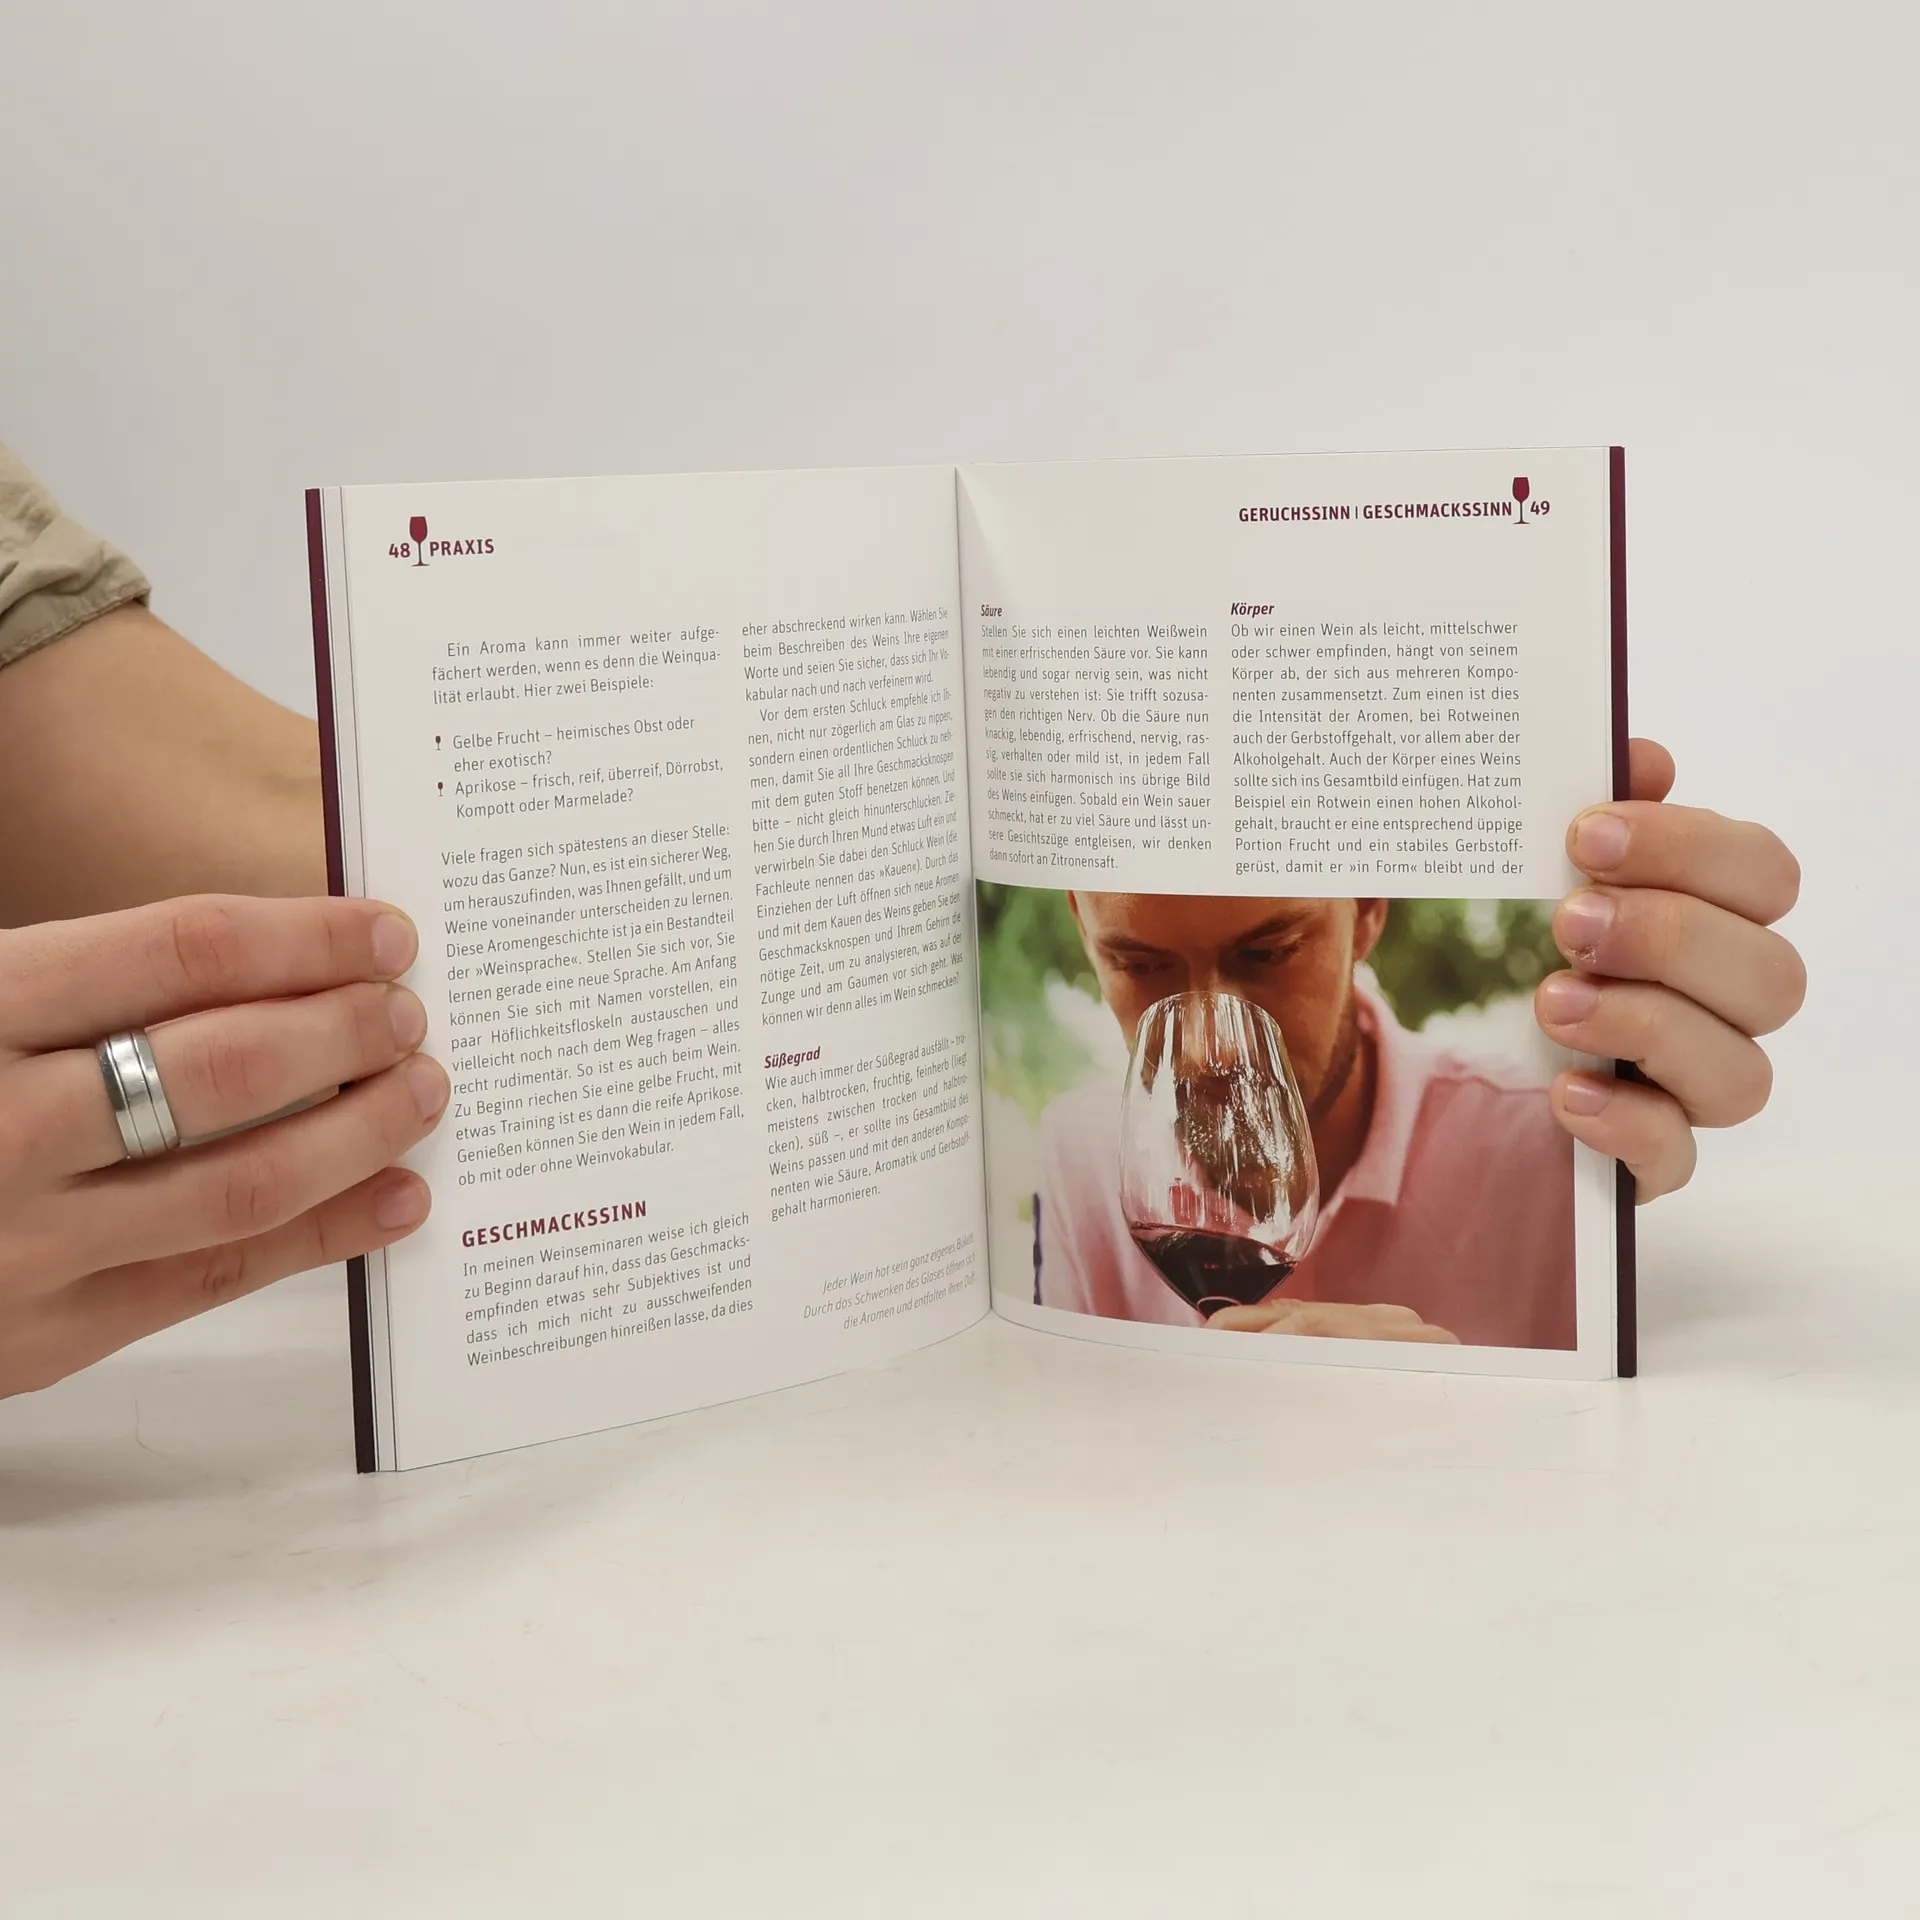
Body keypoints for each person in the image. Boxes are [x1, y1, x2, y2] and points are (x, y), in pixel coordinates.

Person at [0, 440, 1805, 1393]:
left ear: (1372, 911)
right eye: (1137, 964)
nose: (1209, 1034)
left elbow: (92, 716)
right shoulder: (1084, 1171)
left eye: (1270, 949)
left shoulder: (1524, 1144)